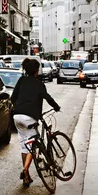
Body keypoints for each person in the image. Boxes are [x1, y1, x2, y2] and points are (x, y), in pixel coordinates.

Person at [11, 57, 61, 187]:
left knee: (24, 145)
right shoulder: (39, 83)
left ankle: (26, 177)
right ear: (36, 71)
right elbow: (47, 97)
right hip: (30, 117)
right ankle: (25, 170)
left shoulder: (21, 80)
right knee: (32, 144)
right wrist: (56, 106)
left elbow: (13, 97)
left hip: (17, 116)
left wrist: (19, 107)